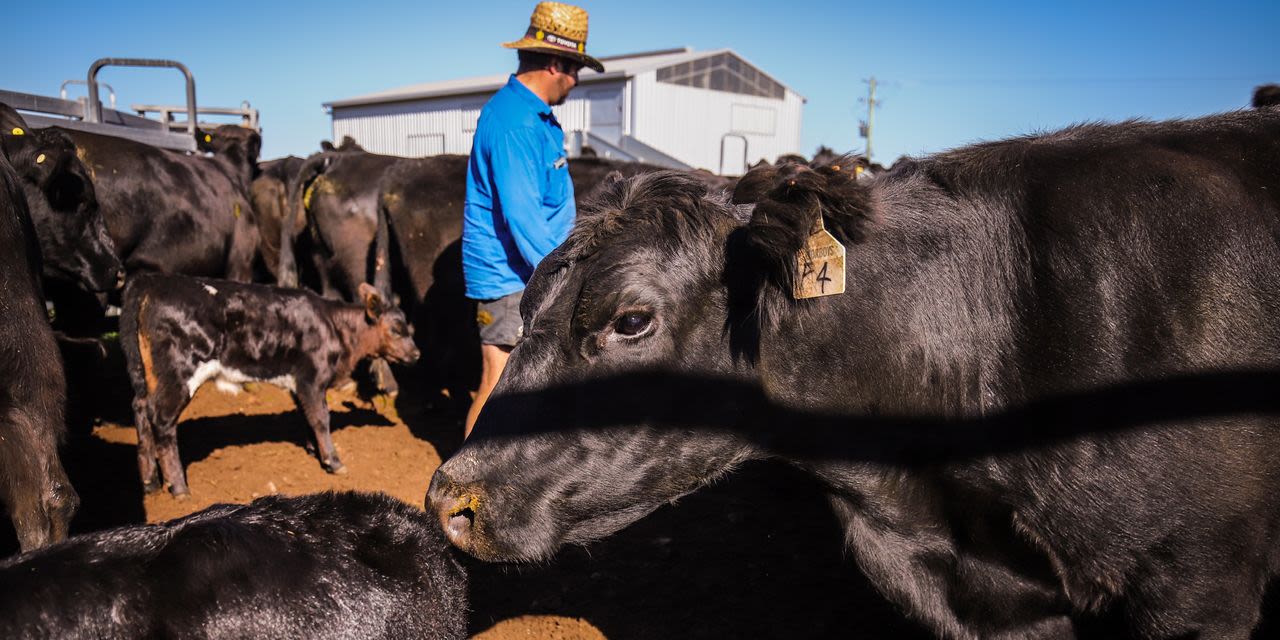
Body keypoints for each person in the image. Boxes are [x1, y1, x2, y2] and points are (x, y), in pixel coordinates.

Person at [461, 2, 605, 438]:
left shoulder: (533, 117)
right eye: (575, 68)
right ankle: (460, 489)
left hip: (525, 271)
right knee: (497, 384)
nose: (577, 80)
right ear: (556, 63)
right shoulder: (516, 123)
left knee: (519, 386)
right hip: (512, 277)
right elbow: (523, 219)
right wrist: (568, 276)